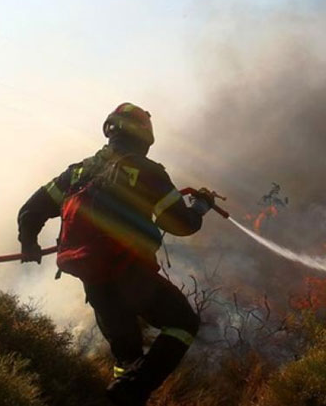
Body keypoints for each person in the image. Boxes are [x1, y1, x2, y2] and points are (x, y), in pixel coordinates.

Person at [17, 103, 214, 406]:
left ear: (110, 130)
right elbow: (181, 225)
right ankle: (130, 391)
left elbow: (30, 210)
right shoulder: (148, 172)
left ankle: (125, 392)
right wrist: (200, 208)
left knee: (127, 355)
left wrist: (28, 244)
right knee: (183, 323)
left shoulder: (79, 171)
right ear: (146, 138)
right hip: (131, 274)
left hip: (94, 280)